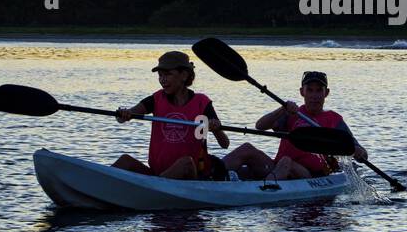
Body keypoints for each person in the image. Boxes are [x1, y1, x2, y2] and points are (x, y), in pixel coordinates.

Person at [224, 71, 368, 180]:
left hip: (310, 176)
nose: (314, 95)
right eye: (310, 90)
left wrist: (357, 151)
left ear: (326, 93)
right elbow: (260, 126)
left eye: (319, 90)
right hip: (278, 168)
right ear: (302, 92)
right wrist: (282, 109)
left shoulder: (335, 120)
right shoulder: (292, 113)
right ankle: (211, 174)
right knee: (246, 148)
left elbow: (361, 152)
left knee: (287, 162)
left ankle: (264, 189)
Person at [112, 51, 229, 179]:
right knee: (125, 161)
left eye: (168, 74)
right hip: (158, 175)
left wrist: (216, 129)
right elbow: (121, 118)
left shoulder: (201, 102)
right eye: (160, 75)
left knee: (186, 162)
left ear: (184, 75)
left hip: (191, 174)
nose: (162, 79)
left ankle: (155, 189)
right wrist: (123, 114)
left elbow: (225, 144)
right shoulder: (156, 99)